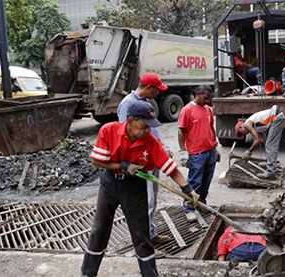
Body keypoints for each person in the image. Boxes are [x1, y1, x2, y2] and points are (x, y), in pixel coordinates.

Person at [82, 101, 200, 277]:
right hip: (110, 184)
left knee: (141, 234)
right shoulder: (109, 130)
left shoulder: (149, 141)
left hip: (134, 187)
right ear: (130, 120)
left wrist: (187, 188)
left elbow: (170, 168)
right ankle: (87, 274)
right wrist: (123, 165)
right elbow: (96, 160)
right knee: (99, 230)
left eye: (149, 127)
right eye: (144, 126)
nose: (147, 131)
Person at [117, 72, 171, 253]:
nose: (158, 93)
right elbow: (127, 134)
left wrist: (161, 148)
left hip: (151, 157)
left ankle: (151, 233)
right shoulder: (127, 104)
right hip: (140, 161)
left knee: (152, 199)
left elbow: (151, 131)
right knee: (144, 201)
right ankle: (144, 244)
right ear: (148, 88)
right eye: (157, 89)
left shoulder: (145, 104)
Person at [177, 85, 220, 222]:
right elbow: (181, 131)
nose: (207, 100)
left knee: (206, 181)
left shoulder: (207, 109)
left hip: (210, 151)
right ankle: (189, 208)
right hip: (196, 153)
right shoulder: (187, 110)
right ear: (197, 94)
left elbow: (211, 128)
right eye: (205, 97)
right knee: (195, 181)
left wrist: (215, 146)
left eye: (209, 98)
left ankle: (201, 203)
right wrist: (183, 151)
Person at [235, 105, 285, 179]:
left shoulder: (248, 124)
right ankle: (270, 164)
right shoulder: (255, 127)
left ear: (241, 126)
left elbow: (257, 141)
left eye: (241, 132)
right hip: (277, 116)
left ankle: (271, 172)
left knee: (271, 145)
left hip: (276, 117)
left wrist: (248, 152)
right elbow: (265, 140)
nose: (243, 134)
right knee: (269, 144)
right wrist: (268, 149)